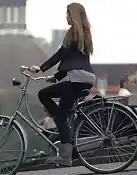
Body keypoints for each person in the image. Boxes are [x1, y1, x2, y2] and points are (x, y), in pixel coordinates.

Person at [29, 2, 96, 166]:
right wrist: (57, 77)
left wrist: (41, 68)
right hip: (87, 77)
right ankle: (64, 133)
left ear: (72, 15)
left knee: (44, 95)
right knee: (62, 114)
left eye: (67, 14)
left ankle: (65, 155)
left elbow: (61, 54)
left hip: (77, 79)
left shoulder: (73, 32)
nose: (65, 17)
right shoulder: (84, 33)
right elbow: (73, 59)